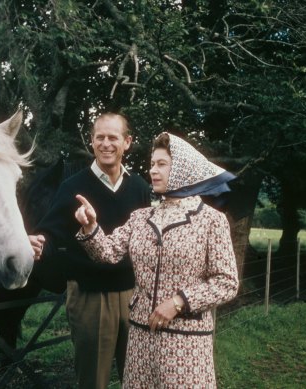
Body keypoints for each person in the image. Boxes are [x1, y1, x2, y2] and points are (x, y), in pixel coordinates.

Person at [73, 131, 239, 388]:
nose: (153, 171)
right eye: (152, 164)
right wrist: (91, 226)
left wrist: (179, 302)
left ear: (183, 169)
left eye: (162, 164)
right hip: (141, 338)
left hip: (186, 343)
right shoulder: (140, 217)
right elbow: (107, 253)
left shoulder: (211, 220)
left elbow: (226, 282)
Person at [29, 113, 151, 389]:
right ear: (92, 142)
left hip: (134, 296)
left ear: (127, 142)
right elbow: (50, 232)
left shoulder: (140, 187)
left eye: (113, 137)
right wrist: (37, 242)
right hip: (90, 297)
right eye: (100, 137)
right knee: (93, 381)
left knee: (138, 378)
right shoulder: (73, 187)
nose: (106, 144)